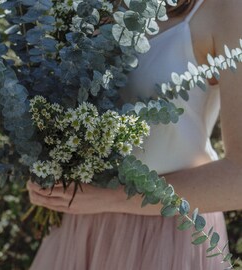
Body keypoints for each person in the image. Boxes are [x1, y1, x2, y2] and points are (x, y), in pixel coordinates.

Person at [27, 0, 242, 269]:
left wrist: (110, 198)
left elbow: (239, 180)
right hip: (79, 223)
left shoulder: (225, 9)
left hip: (167, 236)